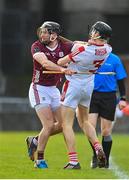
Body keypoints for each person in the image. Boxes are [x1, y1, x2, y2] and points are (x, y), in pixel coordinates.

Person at [57, 21, 112, 169]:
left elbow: (61, 62)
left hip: (73, 85)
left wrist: (66, 58)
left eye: (94, 31)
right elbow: (90, 45)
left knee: (66, 124)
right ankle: (98, 148)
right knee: (84, 122)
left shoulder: (81, 49)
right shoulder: (108, 49)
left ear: (97, 34)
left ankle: (73, 161)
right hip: (88, 85)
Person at [27, 21, 75, 169]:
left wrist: (92, 47)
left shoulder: (65, 46)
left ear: (54, 35)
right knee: (48, 125)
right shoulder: (37, 46)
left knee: (62, 125)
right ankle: (40, 160)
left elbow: (80, 49)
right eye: (41, 32)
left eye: (45, 32)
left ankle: (35, 140)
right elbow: (46, 64)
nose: (42, 35)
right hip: (38, 88)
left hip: (53, 89)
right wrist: (63, 69)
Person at [88, 52, 127, 169]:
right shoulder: (90, 56)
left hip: (109, 97)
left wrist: (123, 98)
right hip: (91, 96)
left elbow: (120, 79)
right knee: (90, 127)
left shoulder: (115, 59)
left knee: (105, 131)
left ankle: (105, 161)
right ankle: (96, 155)